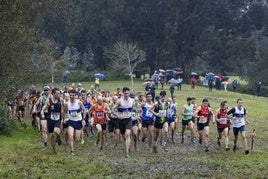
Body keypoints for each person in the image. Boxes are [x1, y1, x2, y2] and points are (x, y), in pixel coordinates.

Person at [41, 87, 65, 154]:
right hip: (50, 119)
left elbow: (65, 109)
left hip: (58, 119)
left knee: (56, 131)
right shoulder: (49, 101)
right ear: (53, 94)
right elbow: (44, 107)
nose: (58, 95)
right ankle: (54, 150)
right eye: (57, 94)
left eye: (59, 94)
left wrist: (64, 106)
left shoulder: (61, 100)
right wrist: (42, 112)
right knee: (51, 137)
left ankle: (58, 137)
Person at [112, 87, 134, 158]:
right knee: (124, 136)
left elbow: (137, 108)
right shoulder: (119, 101)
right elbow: (112, 110)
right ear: (123, 93)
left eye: (128, 93)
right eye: (125, 93)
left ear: (129, 93)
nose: (126, 95)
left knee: (127, 134)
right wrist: (117, 115)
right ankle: (127, 145)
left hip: (128, 119)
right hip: (121, 120)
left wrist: (137, 109)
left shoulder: (132, 101)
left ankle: (127, 152)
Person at [64, 90, 86, 155]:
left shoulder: (79, 103)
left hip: (78, 121)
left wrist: (83, 119)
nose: (72, 96)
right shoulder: (66, 103)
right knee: (70, 136)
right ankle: (72, 151)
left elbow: (84, 110)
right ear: (69, 95)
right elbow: (65, 111)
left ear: (75, 96)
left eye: (73, 95)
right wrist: (65, 118)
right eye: (70, 95)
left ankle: (75, 138)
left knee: (77, 140)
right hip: (71, 121)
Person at [32, 86, 50, 150]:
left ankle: (55, 138)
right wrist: (34, 109)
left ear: (49, 91)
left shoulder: (52, 97)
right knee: (44, 129)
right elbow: (36, 104)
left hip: (51, 115)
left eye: (47, 90)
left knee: (52, 131)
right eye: (45, 90)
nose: (46, 91)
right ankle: (45, 145)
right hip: (43, 114)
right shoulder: (41, 98)